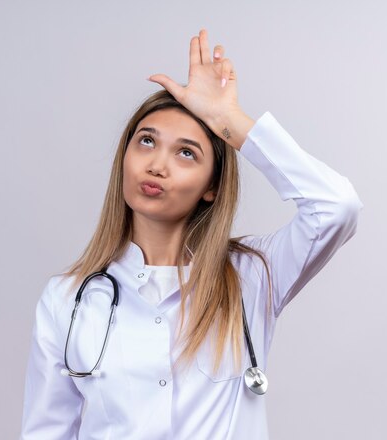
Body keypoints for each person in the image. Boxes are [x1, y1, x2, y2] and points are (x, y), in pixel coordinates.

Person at [19, 29, 363, 440]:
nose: (157, 165)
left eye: (186, 153)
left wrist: (229, 122)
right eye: (146, 142)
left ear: (211, 186)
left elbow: (336, 206)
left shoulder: (252, 276)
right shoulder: (67, 300)